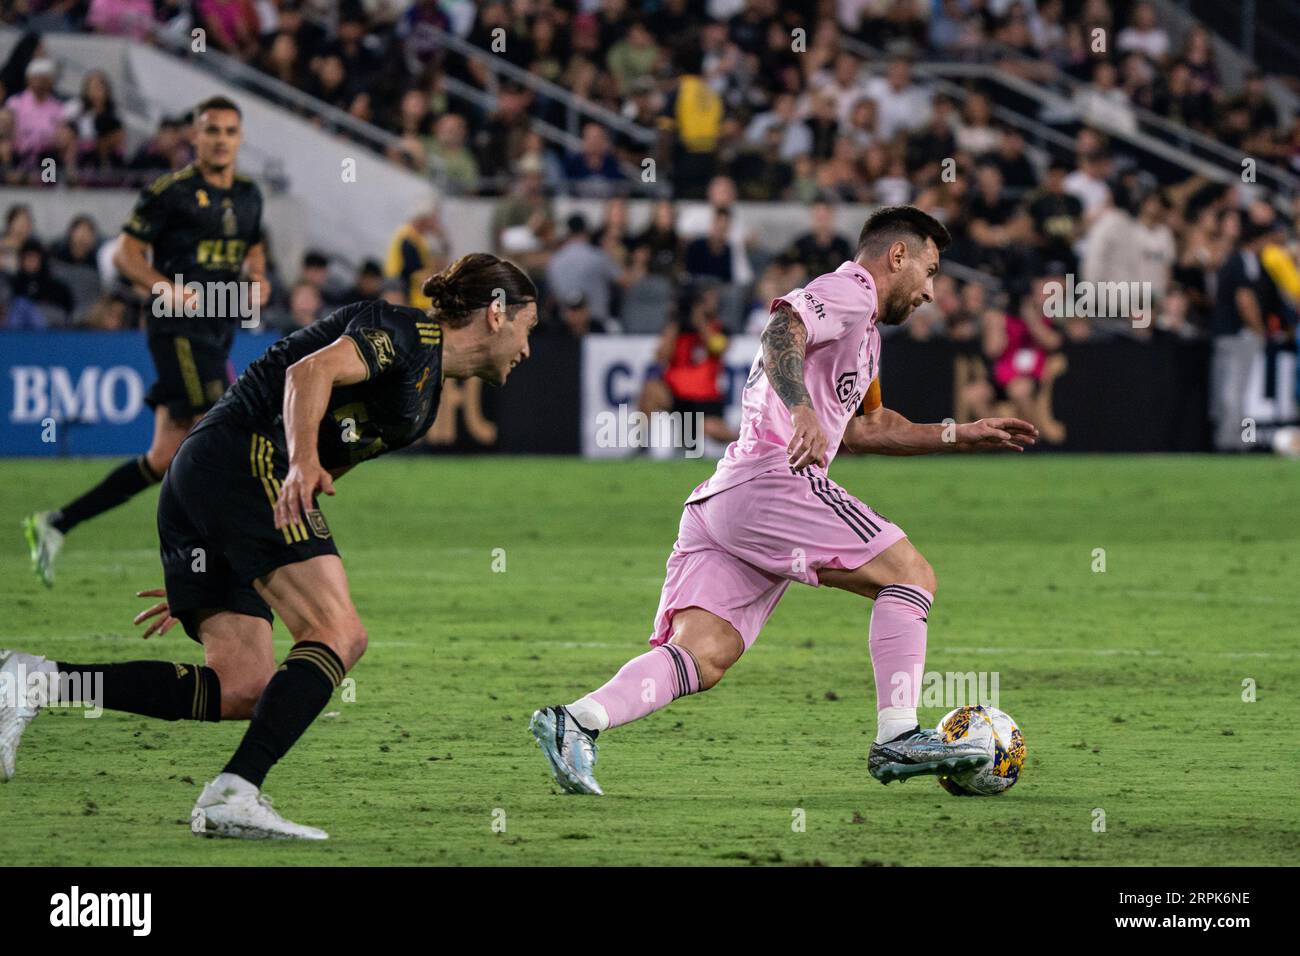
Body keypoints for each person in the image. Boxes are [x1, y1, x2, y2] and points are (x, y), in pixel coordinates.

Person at [0, 253, 539, 839]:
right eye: (527, 329)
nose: (528, 349)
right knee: (339, 633)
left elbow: (332, 456)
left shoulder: (427, 393)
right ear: (495, 313)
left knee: (245, 686)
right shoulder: (406, 333)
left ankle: (37, 680)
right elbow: (308, 373)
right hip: (243, 458)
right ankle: (234, 792)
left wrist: (224, 553)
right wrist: (299, 460)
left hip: (215, 486)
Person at [530, 207, 1037, 795]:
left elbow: (868, 428)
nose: (929, 291)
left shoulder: (864, 333)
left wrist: (958, 434)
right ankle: (897, 735)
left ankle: (576, 722)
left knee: (704, 654)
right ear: (897, 257)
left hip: (730, 500)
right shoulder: (848, 291)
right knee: (911, 576)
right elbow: (781, 330)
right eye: (928, 271)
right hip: (776, 478)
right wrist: (799, 409)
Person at [23, 96, 269, 587]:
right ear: (193, 137)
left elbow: (254, 253)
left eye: (229, 131)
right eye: (210, 130)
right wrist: (166, 289)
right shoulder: (170, 192)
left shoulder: (249, 195)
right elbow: (126, 255)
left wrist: (258, 283)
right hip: (175, 328)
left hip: (219, 327)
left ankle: (54, 523)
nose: (220, 139)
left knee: (163, 459)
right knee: (221, 434)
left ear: (239, 139)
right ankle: (223, 560)